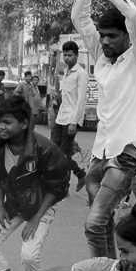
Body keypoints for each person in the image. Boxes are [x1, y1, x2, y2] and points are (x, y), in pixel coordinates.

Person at [70, 0, 136, 258]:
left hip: (126, 154)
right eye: (102, 36)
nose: (105, 41)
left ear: (126, 37)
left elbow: (133, 16)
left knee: (93, 223)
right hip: (99, 153)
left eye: (112, 36)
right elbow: (79, 18)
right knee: (102, 222)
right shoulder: (101, 57)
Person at [0, 97, 69, 271]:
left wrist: (36, 218)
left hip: (41, 205)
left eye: (8, 122)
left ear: (23, 124)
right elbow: (0, 179)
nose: (2, 127)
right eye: (0, 121)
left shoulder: (45, 149)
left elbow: (57, 187)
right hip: (13, 203)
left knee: (29, 256)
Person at [53, 41, 88, 190]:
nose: (67, 58)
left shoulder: (81, 74)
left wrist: (74, 122)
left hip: (71, 118)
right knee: (54, 150)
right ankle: (80, 174)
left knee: (63, 153)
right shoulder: (66, 71)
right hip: (61, 116)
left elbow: (80, 99)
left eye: (70, 55)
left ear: (76, 56)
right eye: (65, 55)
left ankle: (64, 185)